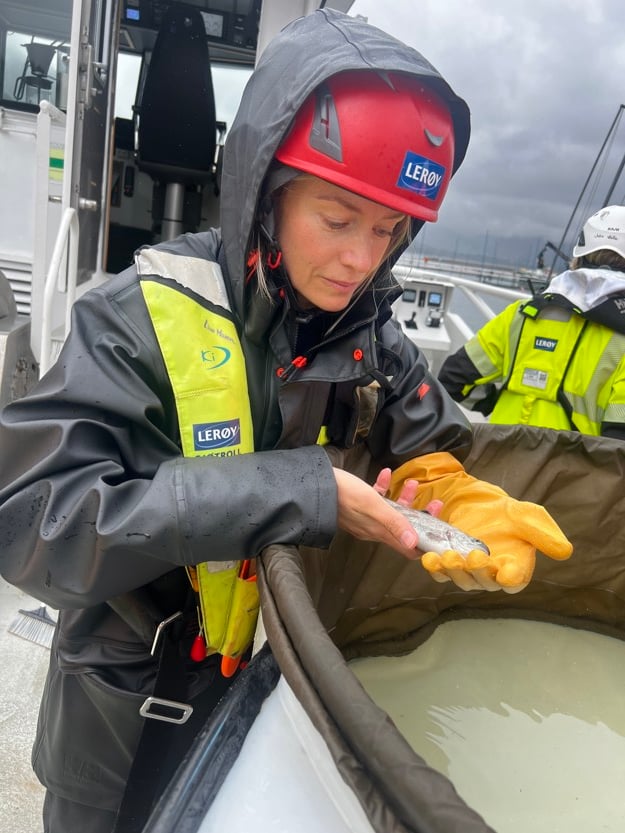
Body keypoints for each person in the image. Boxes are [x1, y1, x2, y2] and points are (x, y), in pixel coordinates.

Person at [0, 9, 572, 833]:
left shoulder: (371, 334)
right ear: (263, 193)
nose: (360, 259)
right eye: (336, 219)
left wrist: (450, 487)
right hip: (120, 701)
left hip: (249, 691)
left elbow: (429, 443)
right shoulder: (132, 317)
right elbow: (33, 524)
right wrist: (304, 492)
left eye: (386, 229)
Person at [438, 204, 625, 439]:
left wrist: (498, 403)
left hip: (499, 460)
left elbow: (453, 377)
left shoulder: (522, 314)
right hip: (572, 473)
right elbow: (618, 445)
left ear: (579, 256)